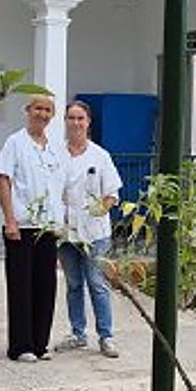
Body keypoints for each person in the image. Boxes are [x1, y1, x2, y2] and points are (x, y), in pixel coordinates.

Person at [0, 94, 67, 363]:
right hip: (22, 226)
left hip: (48, 227)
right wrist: (10, 220)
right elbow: (4, 180)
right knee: (21, 286)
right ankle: (20, 346)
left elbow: (61, 187)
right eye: (38, 108)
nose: (42, 114)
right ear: (28, 110)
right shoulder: (15, 142)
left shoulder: (55, 148)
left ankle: (40, 344)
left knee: (45, 287)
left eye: (48, 110)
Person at [55, 99, 123, 358]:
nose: (76, 123)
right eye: (71, 118)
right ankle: (78, 334)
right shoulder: (56, 154)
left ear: (88, 122)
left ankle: (106, 336)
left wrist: (100, 210)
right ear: (65, 121)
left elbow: (112, 194)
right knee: (73, 284)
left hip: (95, 234)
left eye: (80, 118)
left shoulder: (100, 156)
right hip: (65, 233)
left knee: (97, 284)